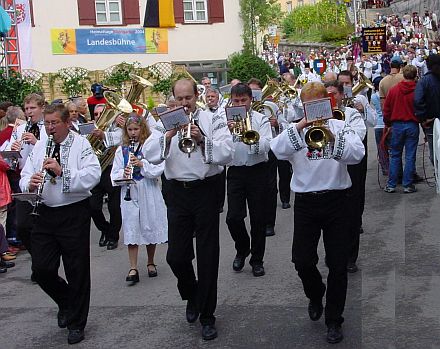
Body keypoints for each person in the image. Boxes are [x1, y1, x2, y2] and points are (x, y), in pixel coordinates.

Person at [270, 82, 365, 344]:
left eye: (319, 106)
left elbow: (357, 154)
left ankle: (334, 320)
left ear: (329, 103)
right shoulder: (295, 129)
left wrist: (331, 136)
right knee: (302, 260)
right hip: (306, 203)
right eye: (309, 107)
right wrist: (302, 125)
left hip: (337, 201)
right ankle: (315, 293)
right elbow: (276, 150)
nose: (315, 112)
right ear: (303, 106)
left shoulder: (340, 126)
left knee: (338, 264)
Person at [143, 78, 233, 340]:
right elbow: (149, 153)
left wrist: (202, 139)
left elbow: (227, 153)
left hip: (206, 190)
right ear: (173, 98)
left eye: (188, 98)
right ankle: (192, 293)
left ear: (197, 96)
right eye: (179, 99)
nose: (184, 104)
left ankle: (207, 315)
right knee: (176, 257)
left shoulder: (212, 119)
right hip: (177, 192)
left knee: (207, 256)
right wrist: (169, 135)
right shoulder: (164, 122)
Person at [19, 104, 100, 344]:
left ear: (66, 123)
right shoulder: (41, 145)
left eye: (54, 123)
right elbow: (25, 175)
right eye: (47, 123)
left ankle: (77, 322)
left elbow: (92, 176)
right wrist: (29, 184)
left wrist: (63, 171)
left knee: (77, 270)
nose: (50, 128)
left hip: (73, 213)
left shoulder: (80, 144)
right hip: (45, 212)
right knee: (41, 270)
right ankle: (66, 301)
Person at [110, 114, 167, 284]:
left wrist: (142, 165)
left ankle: (150, 262)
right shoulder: (122, 149)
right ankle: (133, 266)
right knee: (131, 225)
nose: (133, 133)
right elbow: (114, 173)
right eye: (130, 130)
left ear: (143, 129)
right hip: (130, 190)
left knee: (150, 223)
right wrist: (124, 173)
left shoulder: (149, 147)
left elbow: (159, 168)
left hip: (147, 188)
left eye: (136, 129)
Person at [226, 82, 272, 272]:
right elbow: (220, 147)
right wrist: (228, 133)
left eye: (243, 100)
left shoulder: (261, 119)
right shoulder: (224, 120)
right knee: (233, 218)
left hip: (258, 171)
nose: (240, 104)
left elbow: (268, 145)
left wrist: (248, 133)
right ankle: (242, 247)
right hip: (236, 172)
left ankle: (257, 260)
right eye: (236, 101)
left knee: (258, 219)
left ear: (250, 100)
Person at [7, 93, 48, 265]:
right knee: (23, 225)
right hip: (25, 178)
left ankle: (42, 260)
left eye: (33, 108)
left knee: (42, 223)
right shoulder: (19, 130)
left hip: (44, 177)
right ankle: (37, 257)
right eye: (27, 109)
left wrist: (36, 141)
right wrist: (13, 151)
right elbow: (9, 158)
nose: (29, 112)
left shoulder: (48, 127)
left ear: (42, 108)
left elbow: (51, 150)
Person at [89, 103, 123, 250]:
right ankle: (105, 229)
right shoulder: (89, 130)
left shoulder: (116, 129)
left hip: (111, 169)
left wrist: (104, 135)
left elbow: (122, 138)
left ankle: (113, 236)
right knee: (93, 207)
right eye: (96, 115)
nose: (99, 117)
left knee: (115, 207)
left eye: (102, 114)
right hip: (96, 171)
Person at [383, 65, 420, 193]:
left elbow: (386, 109)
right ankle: (408, 184)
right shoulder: (417, 90)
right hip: (412, 124)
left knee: (395, 155)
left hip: (397, 124)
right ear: (415, 75)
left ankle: (391, 184)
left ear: (403, 74)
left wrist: (387, 123)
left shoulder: (394, 90)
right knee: (410, 155)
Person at [414, 54, 440, 165]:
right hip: (431, 121)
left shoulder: (423, 81)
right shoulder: (425, 81)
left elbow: (418, 101)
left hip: (431, 121)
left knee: (434, 151)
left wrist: (423, 119)